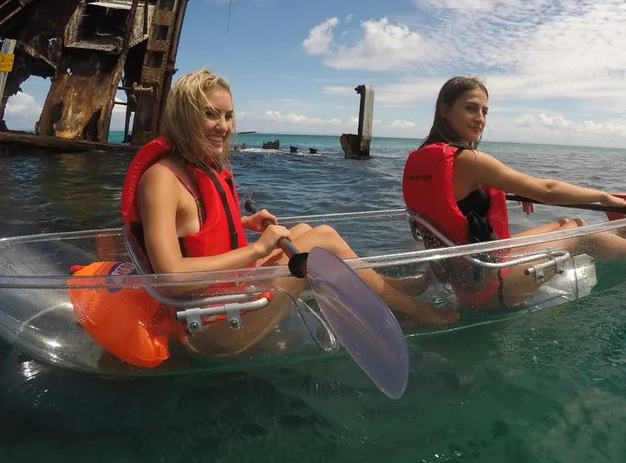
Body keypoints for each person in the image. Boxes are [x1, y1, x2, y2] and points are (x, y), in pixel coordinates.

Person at [122, 68, 454, 355]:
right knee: (321, 240)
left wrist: (244, 222)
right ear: (184, 117)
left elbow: (194, 230)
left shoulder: (194, 167)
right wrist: (257, 249)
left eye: (228, 116)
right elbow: (171, 278)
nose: (223, 126)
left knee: (305, 230)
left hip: (226, 297)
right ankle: (412, 309)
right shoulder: (162, 179)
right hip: (207, 328)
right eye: (210, 114)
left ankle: (391, 290)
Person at [403, 75, 626, 310]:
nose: (480, 119)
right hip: (491, 286)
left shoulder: (420, 161)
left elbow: (457, 199)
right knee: (581, 233)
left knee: (567, 223)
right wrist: (603, 197)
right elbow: (548, 190)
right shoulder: (469, 160)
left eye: (485, 111)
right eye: (471, 108)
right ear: (445, 110)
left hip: (462, 278)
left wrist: (511, 190)